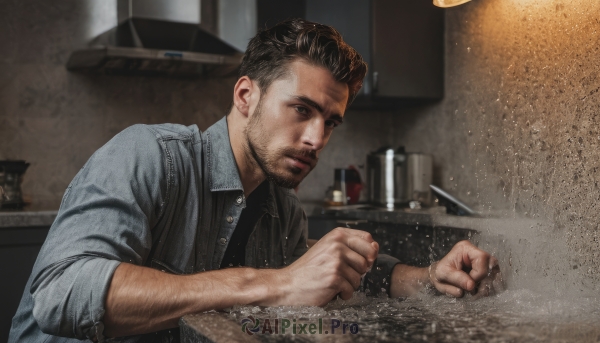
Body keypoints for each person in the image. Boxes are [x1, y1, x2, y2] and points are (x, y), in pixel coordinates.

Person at [9, 19, 501, 343]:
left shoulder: (280, 208)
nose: (316, 138)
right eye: (302, 110)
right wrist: (275, 283)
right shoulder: (149, 156)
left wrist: (430, 277)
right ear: (246, 95)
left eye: (330, 122)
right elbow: (60, 292)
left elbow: (340, 275)